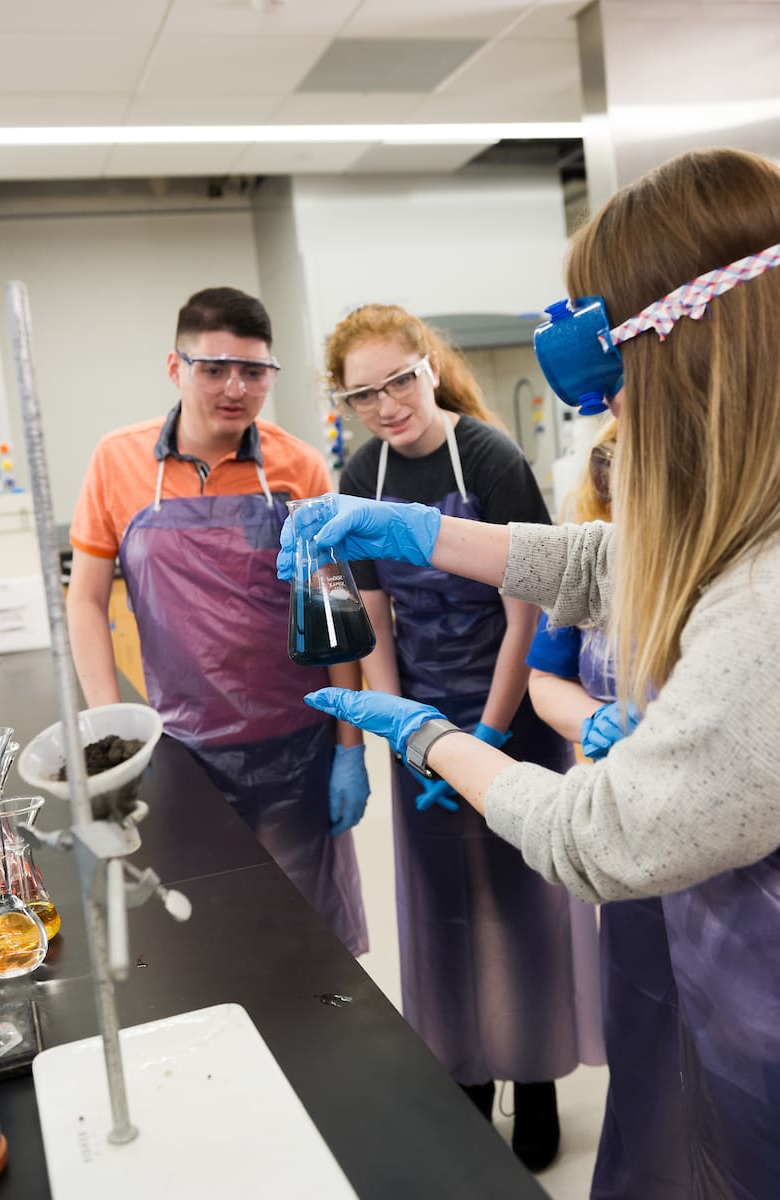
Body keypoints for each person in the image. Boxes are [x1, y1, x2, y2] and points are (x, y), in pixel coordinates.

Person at [277, 147, 780, 1199]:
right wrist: (421, 534)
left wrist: (437, 734)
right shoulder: (749, 514)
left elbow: (595, 836)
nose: (607, 414)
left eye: (607, 376)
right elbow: (611, 559)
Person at [325, 304, 604, 1171]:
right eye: (362, 393)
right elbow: (373, 611)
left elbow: (527, 613)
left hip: (509, 708)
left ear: (430, 367)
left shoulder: (488, 456)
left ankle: (537, 1078)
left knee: (519, 904)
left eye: (399, 380)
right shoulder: (360, 470)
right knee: (440, 902)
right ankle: (468, 1070)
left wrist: (483, 730)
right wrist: (406, 731)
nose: (386, 404)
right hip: (423, 713)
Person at [66, 286, 369, 956]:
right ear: (176, 368)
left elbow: (334, 612)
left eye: (254, 371)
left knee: (304, 942)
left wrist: (350, 746)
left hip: (298, 748)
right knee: (205, 938)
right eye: (214, 368)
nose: (235, 388)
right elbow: (85, 600)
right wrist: (115, 733)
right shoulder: (118, 462)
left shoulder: (300, 467)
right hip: (180, 753)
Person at [527, 421, 690, 1199]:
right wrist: (589, 715)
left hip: (716, 838)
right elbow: (543, 679)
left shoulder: (723, 569)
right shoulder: (587, 560)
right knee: (646, 1023)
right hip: (622, 822)